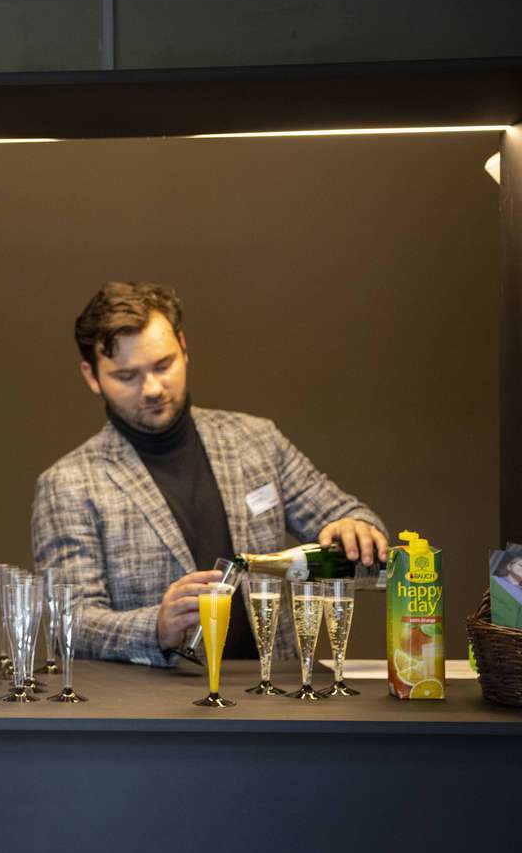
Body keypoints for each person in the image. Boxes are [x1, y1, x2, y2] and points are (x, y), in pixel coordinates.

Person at [31, 282, 389, 667]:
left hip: (274, 691)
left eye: (163, 365)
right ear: (92, 376)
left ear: (184, 347)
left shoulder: (255, 440)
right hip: (154, 700)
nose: (152, 388)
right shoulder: (69, 484)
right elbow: (70, 622)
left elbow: (347, 520)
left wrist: (357, 528)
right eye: (126, 376)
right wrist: (155, 627)